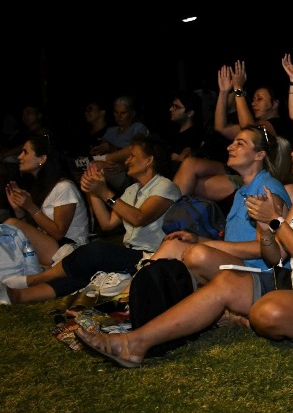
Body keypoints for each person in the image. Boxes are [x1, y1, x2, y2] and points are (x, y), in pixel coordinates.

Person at [73, 122, 293, 367]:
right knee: (224, 284)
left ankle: (247, 318)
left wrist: (275, 221)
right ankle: (134, 344)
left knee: (267, 314)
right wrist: (264, 228)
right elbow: (277, 257)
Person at [1, 136, 179, 305]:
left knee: (95, 251)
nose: (126, 161)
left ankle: (35, 279)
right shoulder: (133, 189)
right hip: (131, 253)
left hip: (153, 255)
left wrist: (105, 193)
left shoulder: (165, 186)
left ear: (149, 160)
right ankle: (19, 295)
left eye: (132, 156)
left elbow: (139, 217)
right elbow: (107, 224)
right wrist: (92, 190)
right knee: (83, 274)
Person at [150, 125, 292, 283]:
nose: (230, 147)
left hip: (261, 272)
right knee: (173, 245)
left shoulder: (267, 190)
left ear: (259, 155)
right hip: (239, 263)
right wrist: (198, 239)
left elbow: (263, 248)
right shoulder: (241, 192)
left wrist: (207, 245)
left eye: (240, 144)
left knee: (198, 254)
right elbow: (232, 244)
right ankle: (126, 298)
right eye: (233, 142)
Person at [174, 62, 293, 204]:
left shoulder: (281, 124)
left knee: (192, 183)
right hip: (237, 169)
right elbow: (221, 127)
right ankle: (169, 217)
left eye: (259, 99)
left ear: (275, 103)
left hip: (259, 177)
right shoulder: (254, 127)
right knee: (189, 165)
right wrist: (223, 92)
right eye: (253, 99)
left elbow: (249, 126)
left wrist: (238, 88)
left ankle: (168, 218)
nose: (254, 103)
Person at [2, 134, 89, 270]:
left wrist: (31, 207)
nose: (19, 157)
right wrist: (19, 210)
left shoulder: (64, 187)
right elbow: (32, 233)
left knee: (10, 225)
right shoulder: (40, 188)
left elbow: (59, 232)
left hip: (69, 249)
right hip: (50, 248)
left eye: (25, 152)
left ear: (42, 159)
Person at [165, 91, 206, 171]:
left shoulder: (196, 136)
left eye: (176, 107)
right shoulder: (171, 131)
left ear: (190, 113)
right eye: (172, 106)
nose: (171, 109)